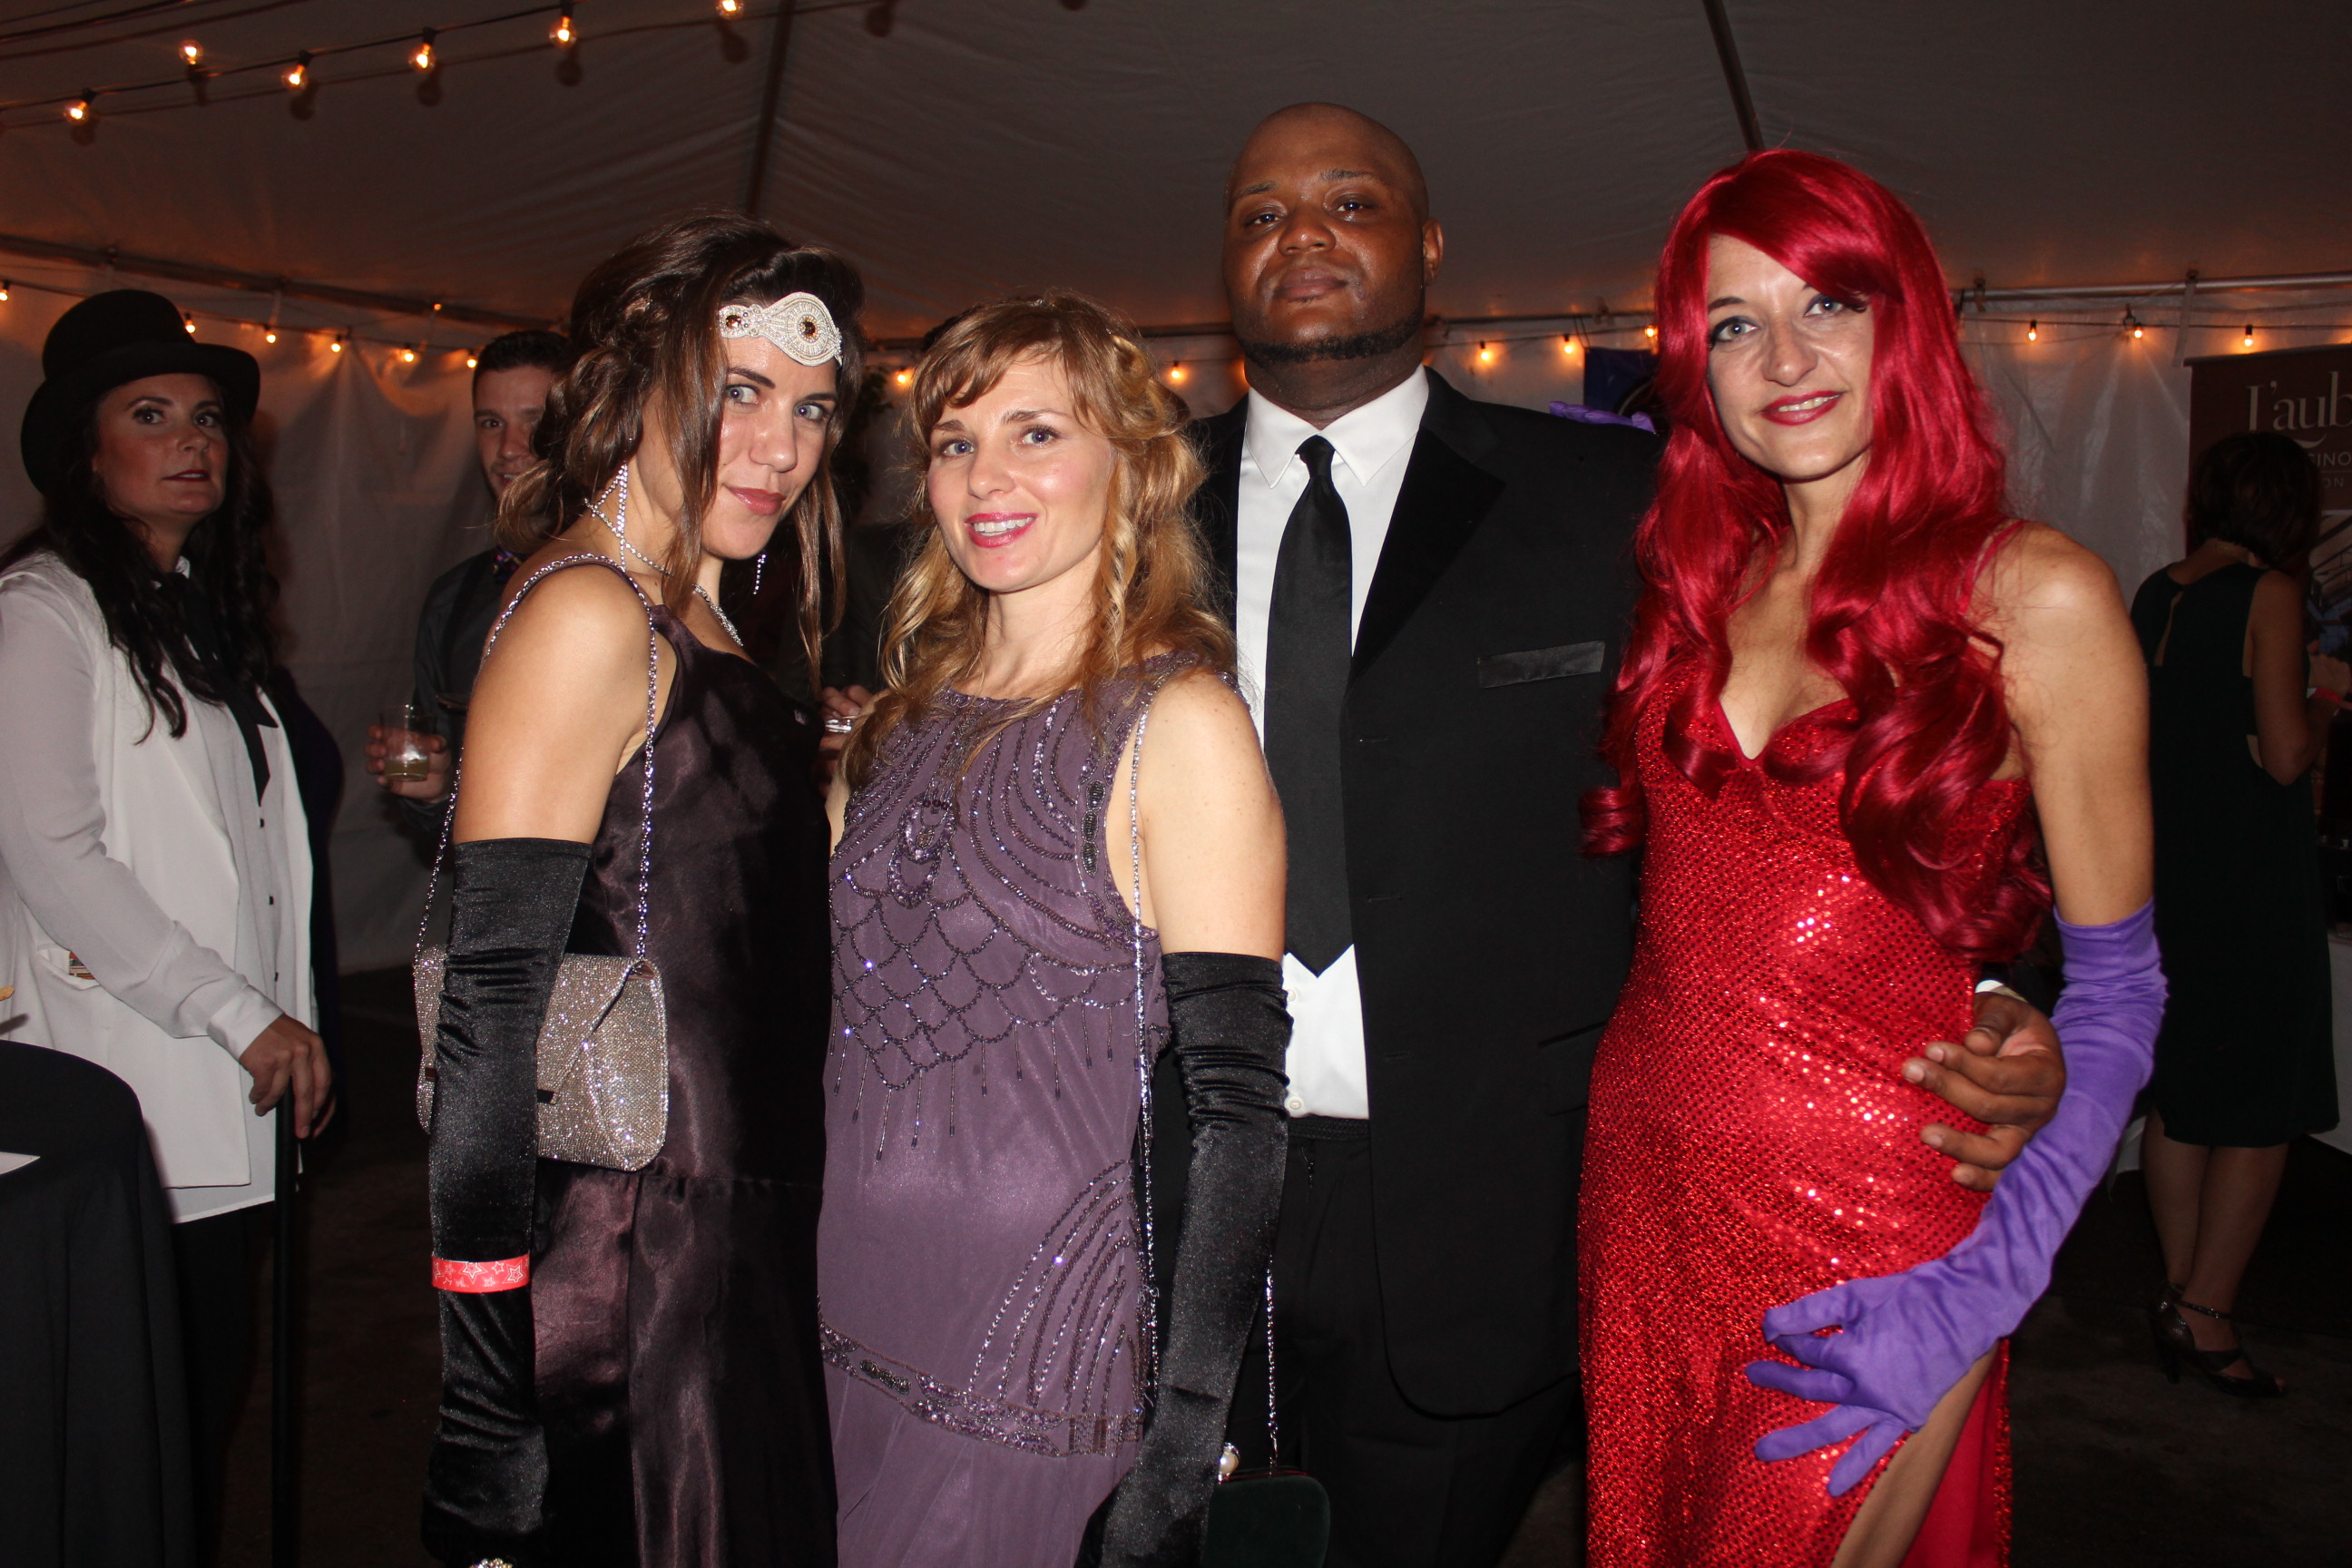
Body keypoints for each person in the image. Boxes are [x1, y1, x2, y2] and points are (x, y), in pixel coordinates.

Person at [1188, 106, 2067, 1568]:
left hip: (1495, 1212)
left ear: (1430, 243)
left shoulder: (1620, 507)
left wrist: (1998, 987)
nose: (1305, 235)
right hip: (1185, 1192)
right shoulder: (1122, 505)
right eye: (1261, 212)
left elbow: (1867, 742)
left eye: (1350, 199)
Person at [1577, 150, 2163, 1566]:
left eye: (1828, 304)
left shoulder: (2035, 599)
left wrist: (1979, 1294)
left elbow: (2122, 992)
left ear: (1905, 322)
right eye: (1735, 324)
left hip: (1870, 1249)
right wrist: (1991, 1000)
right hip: (1641, 1202)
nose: (1784, 359)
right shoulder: (1696, 583)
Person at [821, 293, 1289, 1565]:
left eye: (1036, 433)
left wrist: (1185, 1435)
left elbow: (1240, 1118)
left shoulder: (1182, 726)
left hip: (1031, 1358)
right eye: (956, 442)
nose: (985, 477)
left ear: (1131, 468)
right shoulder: (897, 725)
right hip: (836, 1310)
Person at [417, 216, 855, 1567]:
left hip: (736, 1234)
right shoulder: (590, 611)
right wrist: (484, 1403)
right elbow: (489, 1017)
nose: (780, 448)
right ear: (638, 381)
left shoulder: (700, 613)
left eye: (814, 409)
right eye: (743, 392)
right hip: (640, 1261)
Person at [0, 288, 331, 1563]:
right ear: (86, 457)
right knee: (129, 1442)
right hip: (124, 1087)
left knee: (197, 1413)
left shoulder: (199, 614)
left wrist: (285, 1025)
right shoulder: (42, 608)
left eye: (204, 418)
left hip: (225, 1091)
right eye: (149, 415)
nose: (191, 438)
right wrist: (243, 1016)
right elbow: (51, 852)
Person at [2131, 431, 2341, 1397]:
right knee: (2259, 1107)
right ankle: (2210, 1314)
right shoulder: (2270, 594)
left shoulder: (2157, 591)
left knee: (2186, 1097)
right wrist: (2328, 702)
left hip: (2171, 877)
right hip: (2253, 882)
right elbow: (2287, 756)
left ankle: (2181, 1295)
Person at [366, 328, 572, 829]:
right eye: (491, 423)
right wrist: (433, 791)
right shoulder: (454, 597)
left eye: (535, 421)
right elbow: (451, 809)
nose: (508, 448)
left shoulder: (636, 580)